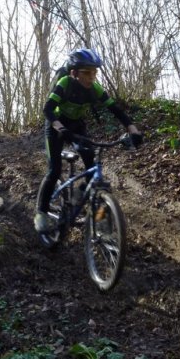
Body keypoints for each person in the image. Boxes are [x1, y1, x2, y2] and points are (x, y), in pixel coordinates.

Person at [35, 48, 143, 232]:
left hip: (77, 126)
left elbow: (115, 109)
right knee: (54, 170)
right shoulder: (65, 83)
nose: (91, 77)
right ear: (74, 73)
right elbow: (48, 109)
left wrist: (132, 129)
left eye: (94, 72)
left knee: (92, 169)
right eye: (87, 73)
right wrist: (61, 129)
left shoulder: (94, 89)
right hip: (56, 127)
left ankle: (82, 197)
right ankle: (41, 213)